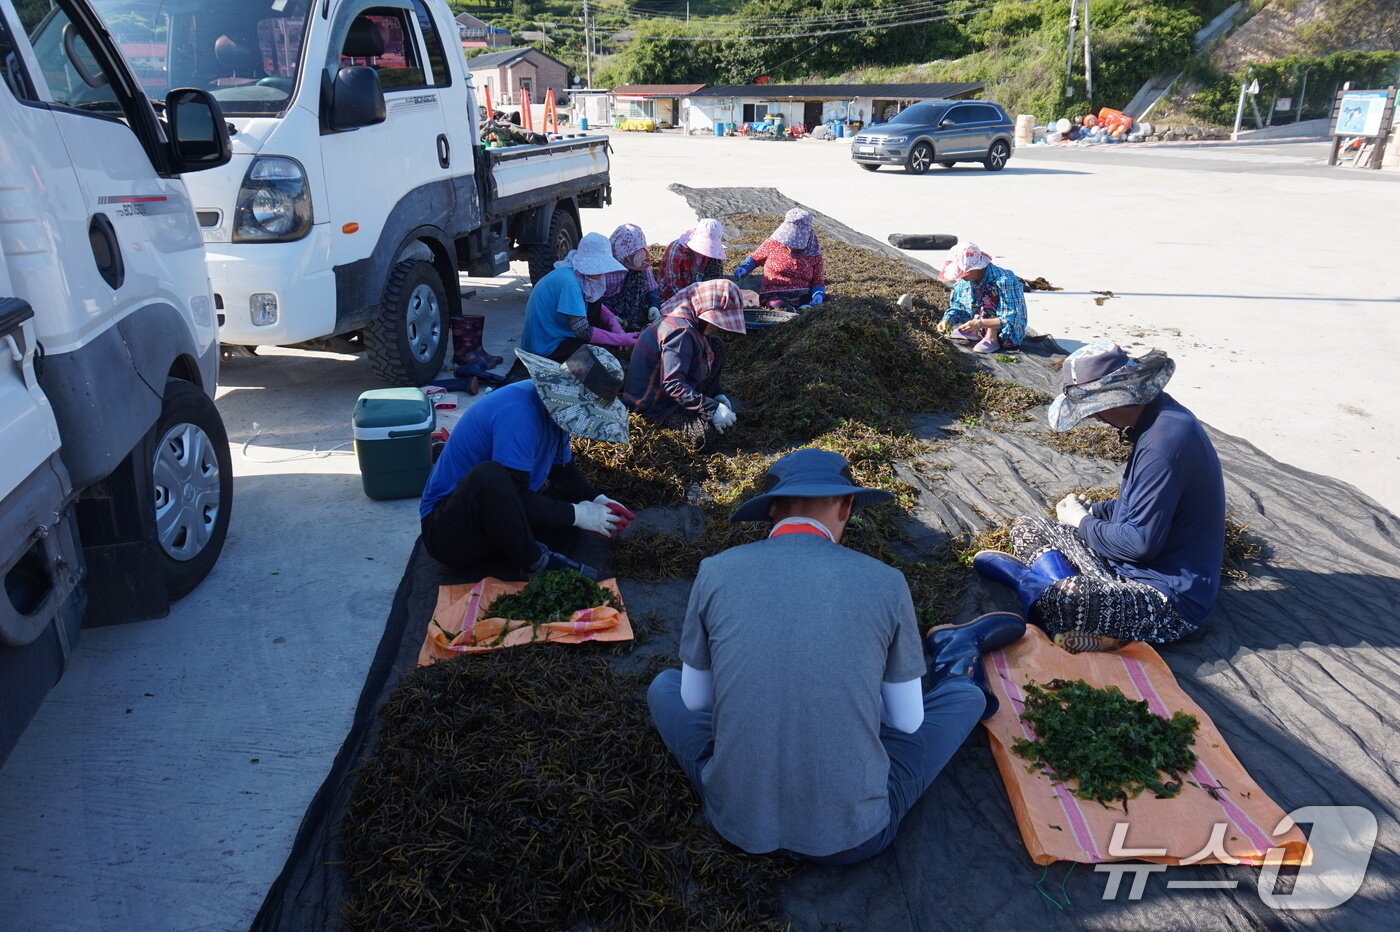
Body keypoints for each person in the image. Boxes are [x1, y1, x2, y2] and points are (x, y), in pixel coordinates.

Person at [647, 449, 1025, 865]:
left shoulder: (714, 570)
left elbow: (697, 701)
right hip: (852, 837)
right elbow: (906, 722)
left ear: (772, 510)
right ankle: (956, 659)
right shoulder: (885, 581)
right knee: (965, 700)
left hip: (737, 823)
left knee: (665, 686)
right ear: (847, 505)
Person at [972, 341, 1225, 654]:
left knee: (1068, 597)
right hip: (1122, 567)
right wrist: (1096, 511)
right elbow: (1143, 506)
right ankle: (1044, 591)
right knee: (1028, 525)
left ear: (1116, 398)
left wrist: (1081, 521)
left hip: (1168, 598)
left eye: (1094, 410)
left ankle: (1032, 585)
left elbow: (1139, 544)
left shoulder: (1163, 445)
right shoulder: (1157, 421)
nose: (1094, 419)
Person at [419, 345, 635, 579]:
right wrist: (579, 514)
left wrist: (597, 500)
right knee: (490, 474)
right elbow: (511, 492)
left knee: (567, 522)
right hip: (449, 529)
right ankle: (534, 562)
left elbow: (563, 474)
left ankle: (515, 555)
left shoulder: (558, 416)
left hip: (496, 518)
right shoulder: (518, 412)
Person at [622, 280, 745, 450]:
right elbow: (673, 385)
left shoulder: (693, 325)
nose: (717, 327)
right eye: (715, 321)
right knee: (704, 436)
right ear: (702, 311)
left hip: (674, 394)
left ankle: (706, 397)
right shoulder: (681, 332)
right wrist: (712, 409)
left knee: (717, 346)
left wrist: (717, 395)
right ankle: (696, 408)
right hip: (654, 405)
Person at [519, 232, 636, 361]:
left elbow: (594, 302)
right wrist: (620, 340)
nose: (603, 271)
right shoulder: (570, 282)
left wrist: (613, 323)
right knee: (600, 359)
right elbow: (582, 330)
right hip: (545, 347)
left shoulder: (578, 275)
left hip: (557, 334)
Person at [935, 243, 1028, 353]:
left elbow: (1012, 320)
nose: (962, 277)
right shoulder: (965, 281)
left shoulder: (1005, 280)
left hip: (1006, 333)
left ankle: (991, 337)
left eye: (964, 274)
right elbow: (959, 307)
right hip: (977, 324)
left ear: (976, 268)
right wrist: (947, 320)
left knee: (989, 291)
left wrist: (979, 323)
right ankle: (975, 332)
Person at [729, 208, 826, 311]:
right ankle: (798, 312)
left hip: (803, 296)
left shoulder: (813, 254)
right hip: (774, 294)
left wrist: (818, 294)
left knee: (834, 303)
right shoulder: (773, 244)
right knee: (778, 305)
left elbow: (818, 281)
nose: (792, 245)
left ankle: (804, 309)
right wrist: (744, 267)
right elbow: (755, 258)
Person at [598, 223, 661, 331]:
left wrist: (653, 306)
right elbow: (592, 300)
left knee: (640, 275)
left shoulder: (641, 261)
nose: (632, 262)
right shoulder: (602, 266)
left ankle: (631, 321)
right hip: (604, 309)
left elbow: (651, 288)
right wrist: (608, 317)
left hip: (630, 306)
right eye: (629, 257)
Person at [657, 218, 726, 303]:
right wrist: (692, 303)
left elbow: (716, 280)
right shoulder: (677, 250)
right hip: (672, 296)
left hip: (698, 294)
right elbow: (672, 285)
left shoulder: (713, 257)